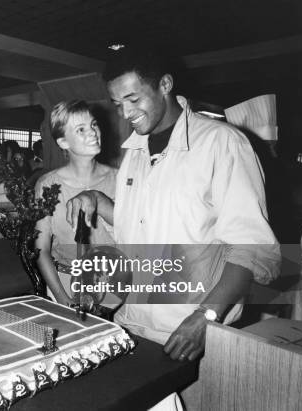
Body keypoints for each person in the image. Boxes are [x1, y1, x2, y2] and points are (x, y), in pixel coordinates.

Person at [66, 49, 280, 361]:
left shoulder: (222, 143)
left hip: (190, 332)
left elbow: (250, 247)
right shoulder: (134, 153)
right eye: (117, 104)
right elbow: (140, 222)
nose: (125, 113)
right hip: (131, 321)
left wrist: (206, 317)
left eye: (133, 99)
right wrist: (97, 200)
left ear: (165, 85)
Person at [35, 100, 117, 305]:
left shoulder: (121, 178)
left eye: (94, 124)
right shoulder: (48, 185)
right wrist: (63, 300)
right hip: (64, 283)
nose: (92, 132)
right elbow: (41, 250)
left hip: (113, 285)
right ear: (63, 142)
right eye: (81, 129)